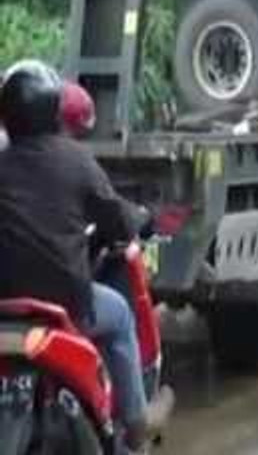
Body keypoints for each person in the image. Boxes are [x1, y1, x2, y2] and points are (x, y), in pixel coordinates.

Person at [0, 61, 172, 452]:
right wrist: (142, 220)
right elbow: (118, 221)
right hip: (65, 305)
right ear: (53, 112)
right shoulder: (75, 160)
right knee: (120, 316)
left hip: (5, 305)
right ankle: (136, 422)